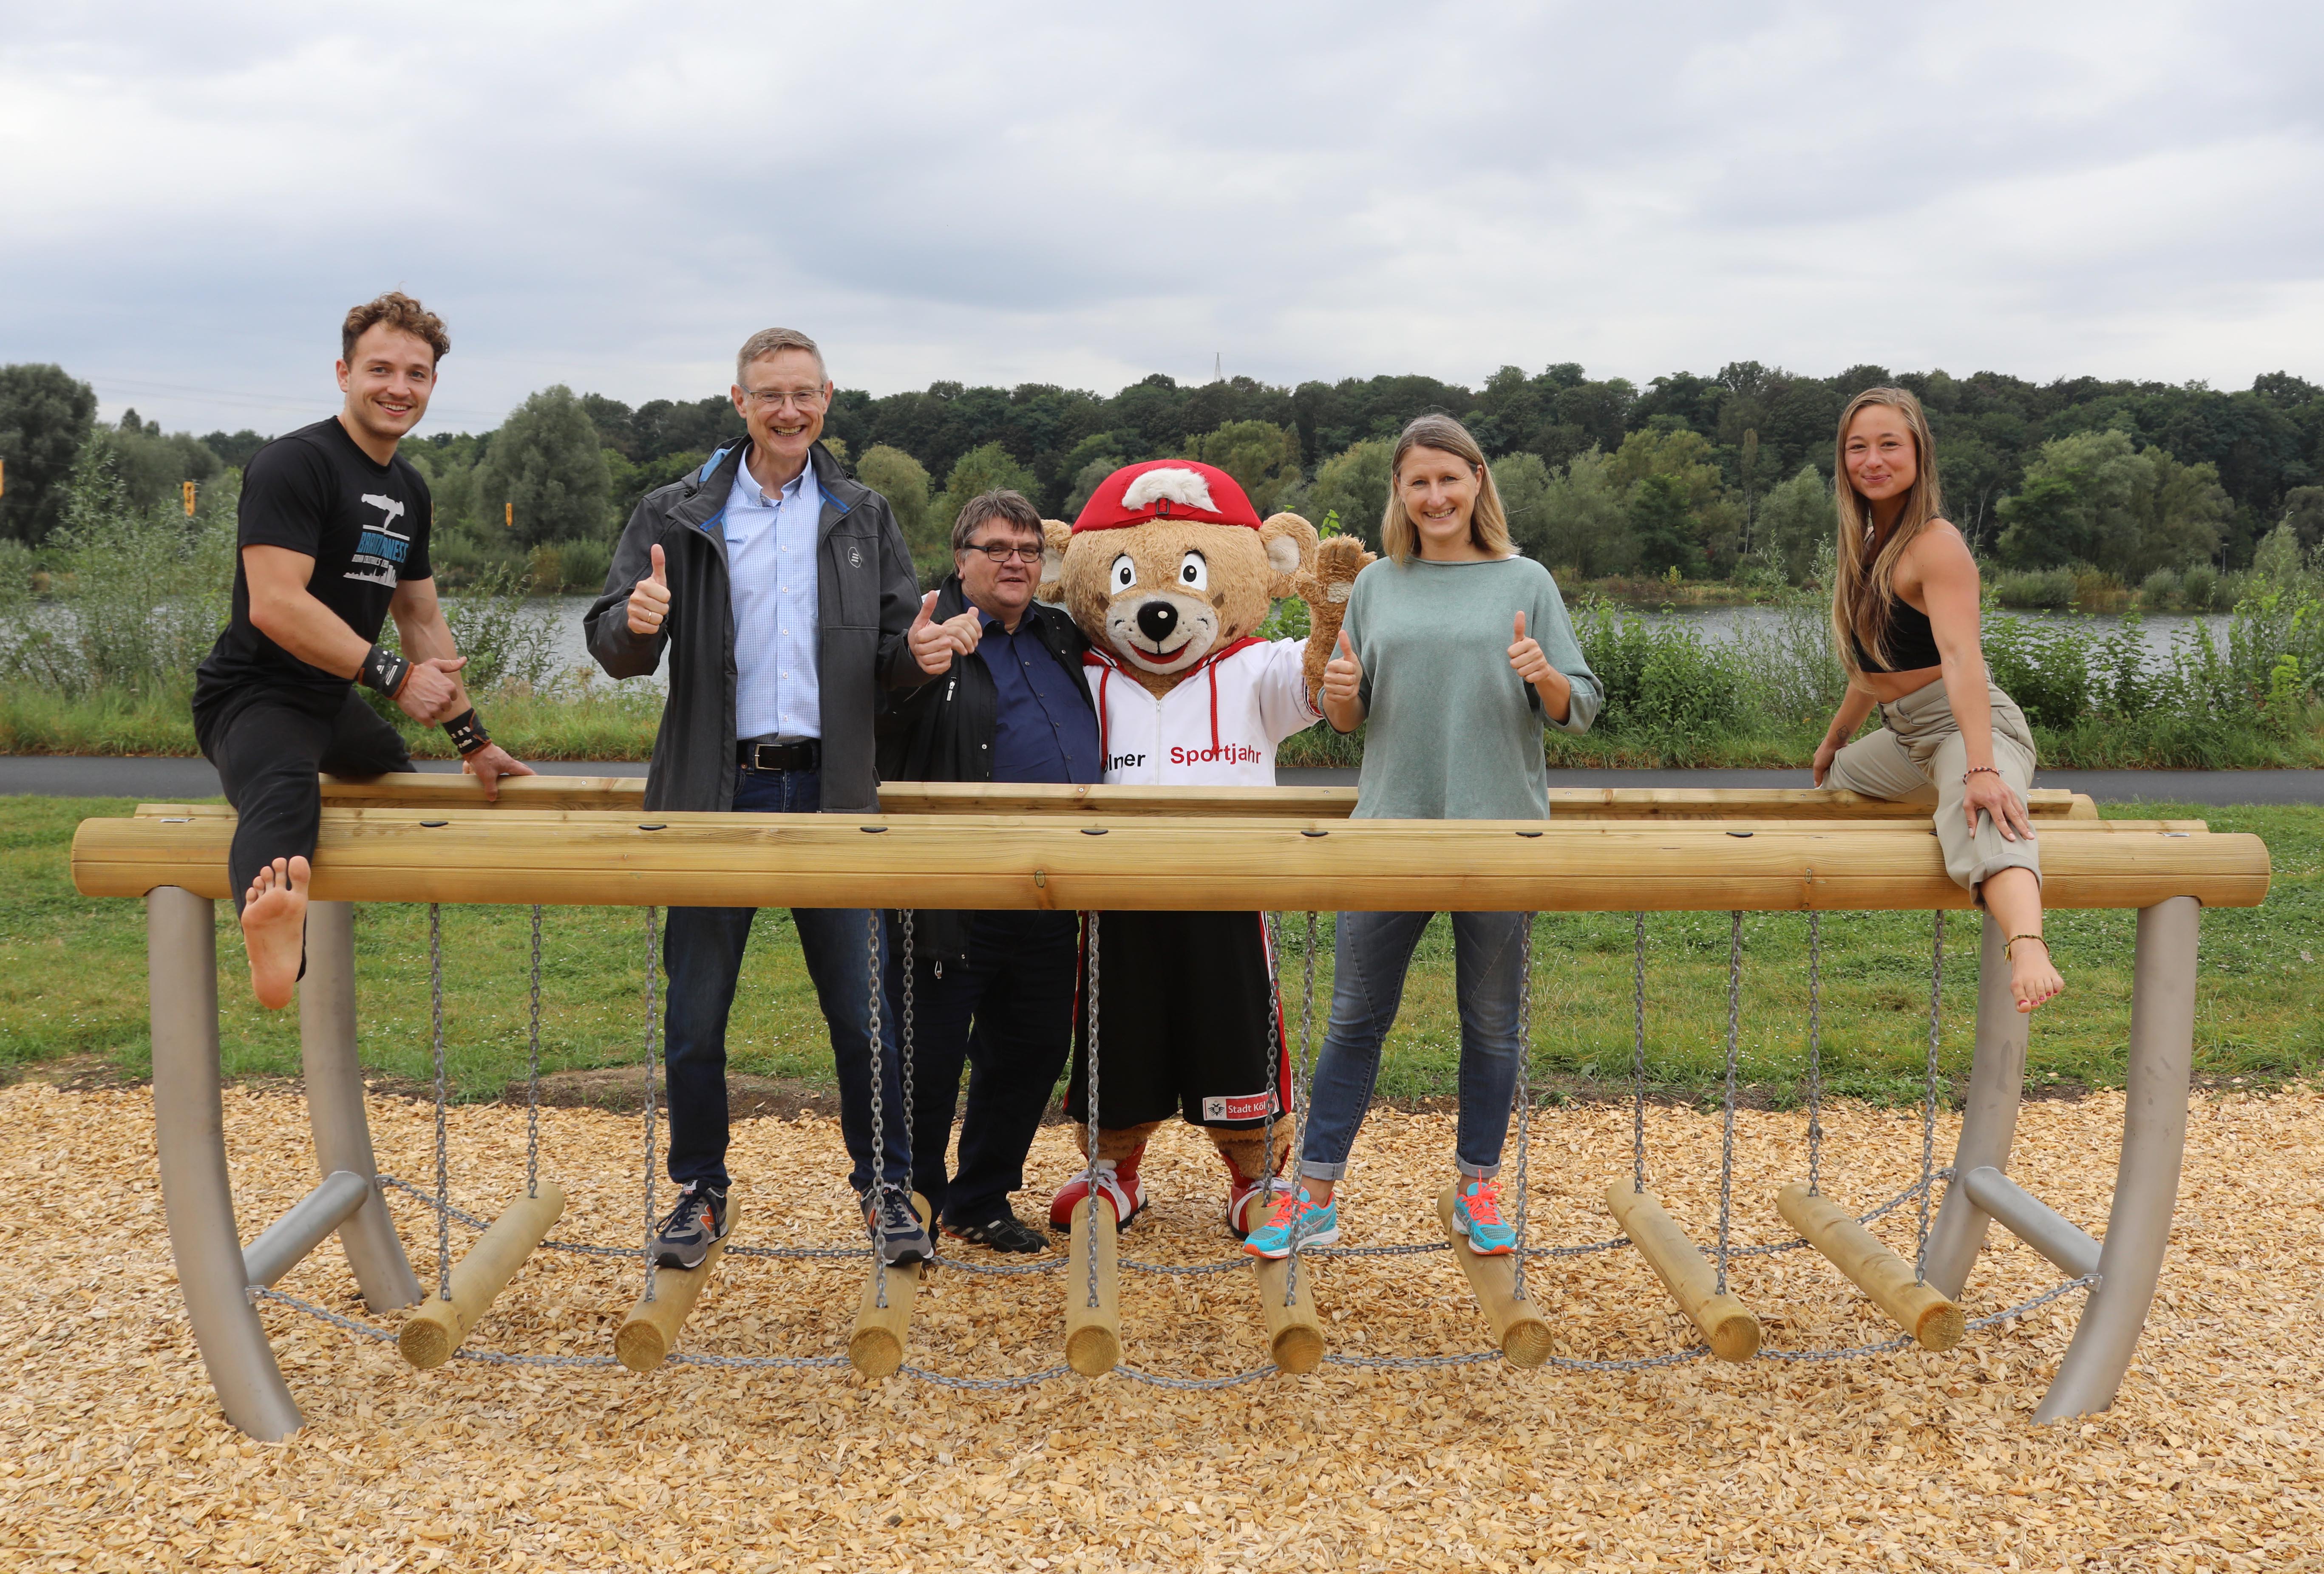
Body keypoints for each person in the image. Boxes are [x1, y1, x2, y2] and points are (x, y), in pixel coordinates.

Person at [584, 326, 964, 1268]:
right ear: (739, 401)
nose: (787, 410)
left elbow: (889, 655)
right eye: (769, 394)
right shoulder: (675, 511)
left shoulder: (862, 513)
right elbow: (610, 640)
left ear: (827, 398)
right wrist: (635, 626)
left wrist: (914, 662)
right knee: (697, 1012)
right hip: (717, 793)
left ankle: (885, 1187)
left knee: (862, 1011)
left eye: (803, 393)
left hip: (831, 792)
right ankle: (699, 1190)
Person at [1244, 414, 1602, 1260]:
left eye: (1449, 478)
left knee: (1490, 1025)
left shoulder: (1527, 581)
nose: (1434, 495)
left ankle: (1477, 1187)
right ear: (1400, 494)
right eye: (1418, 482)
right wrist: (1337, 689)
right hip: (1389, 833)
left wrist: (1544, 675)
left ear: (1477, 481)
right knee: (1354, 1019)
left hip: (1498, 837)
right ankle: (1317, 1195)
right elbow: (1347, 720)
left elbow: (1579, 707)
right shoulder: (1377, 586)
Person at [192, 292, 533, 1011]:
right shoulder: (296, 464)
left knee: (388, 773)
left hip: (331, 698)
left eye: (416, 374)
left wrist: (473, 742)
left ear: (433, 386)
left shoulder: (409, 487)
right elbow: (276, 604)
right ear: (343, 372)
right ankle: (279, 942)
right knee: (285, 791)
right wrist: (393, 675)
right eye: (380, 369)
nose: (398, 388)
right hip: (254, 693)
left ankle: (320, 897)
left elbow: (421, 617)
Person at [876, 489, 1099, 1253]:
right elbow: (876, 723)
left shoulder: (1062, 634)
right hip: (952, 890)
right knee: (929, 1060)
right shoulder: (930, 632)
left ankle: (981, 1199)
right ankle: (913, 1205)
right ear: (962, 558)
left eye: (1029, 550)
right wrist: (916, 661)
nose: (1015, 562)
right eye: (997, 549)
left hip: (1047, 888)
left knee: (1032, 1049)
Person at [1812, 386, 2063, 1012]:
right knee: (1840, 779)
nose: (1873, 460)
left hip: (1968, 727)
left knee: (1983, 812)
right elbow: (1870, 666)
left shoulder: (1936, 543)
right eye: (1857, 447)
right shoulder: (1868, 542)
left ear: (1919, 452)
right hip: (1906, 736)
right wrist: (1837, 738)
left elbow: (1962, 660)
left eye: (1889, 444)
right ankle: (1955, 783)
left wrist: (1980, 769)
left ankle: (2027, 944)